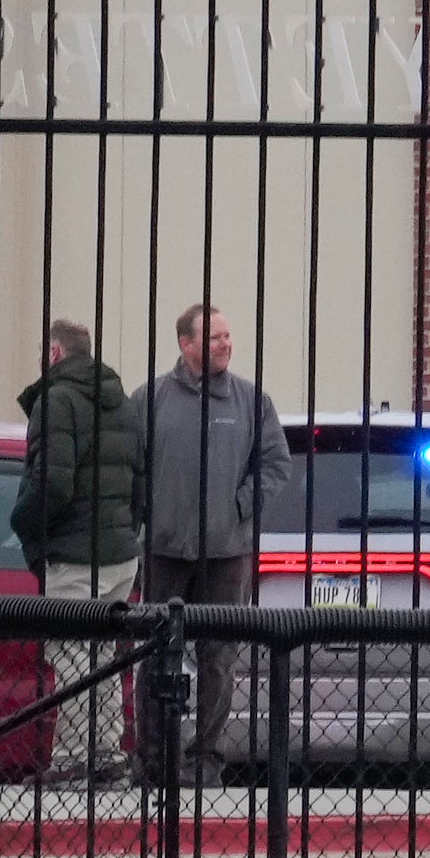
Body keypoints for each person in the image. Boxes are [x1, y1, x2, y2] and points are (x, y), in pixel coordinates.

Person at [133, 302, 299, 778]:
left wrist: (239, 508)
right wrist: (146, 513)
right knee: (156, 657)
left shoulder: (251, 401)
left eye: (227, 336)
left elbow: (275, 465)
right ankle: (155, 759)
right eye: (213, 338)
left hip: (227, 554)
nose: (225, 345)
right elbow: (132, 468)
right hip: (164, 551)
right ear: (185, 344)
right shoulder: (151, 399)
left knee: (218, 659)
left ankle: (205, 760)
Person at [13, 317, 145, 779]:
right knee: (103, 656)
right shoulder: (123, 406)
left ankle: (71, 760)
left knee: (70, 657)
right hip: (121, 555)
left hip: (73, 554)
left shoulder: (56, 402)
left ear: (55, 354)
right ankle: (107, 756)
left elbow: (52, 483)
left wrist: (22, 524)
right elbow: (139, 484)